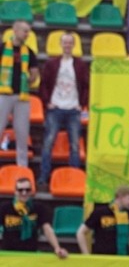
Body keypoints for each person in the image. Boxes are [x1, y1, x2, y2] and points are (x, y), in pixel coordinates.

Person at [37, 32, 89, 190]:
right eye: (65, 42)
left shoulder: (80, 65)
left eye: (70, 42)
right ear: (61, 44)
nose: (67, 45)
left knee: (75, 145)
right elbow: (43, 84)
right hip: (56, 108)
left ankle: (74, 177)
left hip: (73, 109)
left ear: (74, 45)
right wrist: (47, 102)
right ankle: (43, 178)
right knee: (48, 142)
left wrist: (82, 104)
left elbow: (86, 86)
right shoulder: (51, 63)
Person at [0, 20, 39, 167]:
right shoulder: (2, 48)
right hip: (3, 95)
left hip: (21, 97)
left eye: (28, 31)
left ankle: (22, 168)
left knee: (22, 134)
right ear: (15, 30)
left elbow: (34, 73)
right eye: (25, 31)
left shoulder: (29, 52)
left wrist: (30, 78)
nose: (27, 34)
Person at [0, 177, 68, 258]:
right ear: (15, 191)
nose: (24, 193)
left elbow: (47, 229)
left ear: (31, 191)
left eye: (27, 190)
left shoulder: (39, 208)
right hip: (8, 254)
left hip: (31, 254)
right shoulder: (4, 208)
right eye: (20, 190)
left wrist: (57, 248)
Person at [76, 186, 129, 256]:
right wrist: (86, 255)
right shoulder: (100, 212)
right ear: (120, 197)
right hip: (102, 258)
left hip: (122, 258)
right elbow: (80, 232)